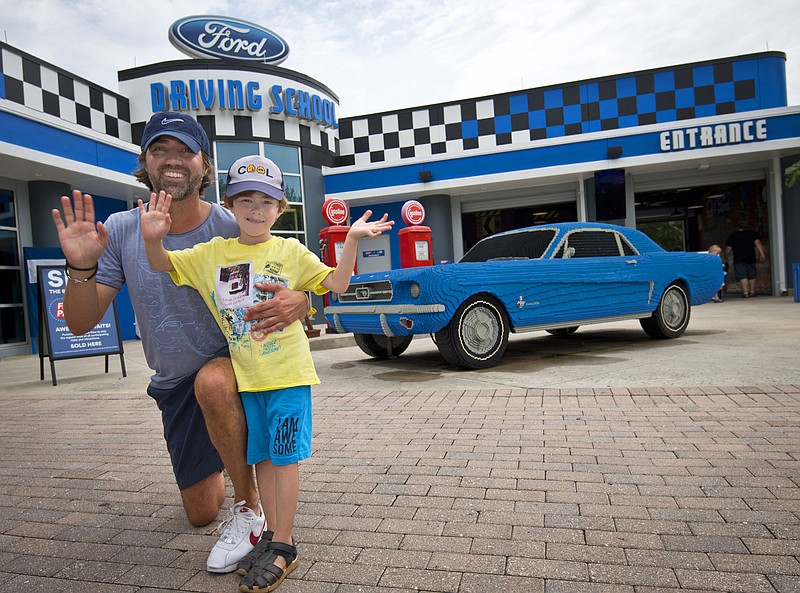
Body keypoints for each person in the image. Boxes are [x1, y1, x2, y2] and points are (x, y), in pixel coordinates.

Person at [50, 112, 310, 574]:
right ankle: (232, 466)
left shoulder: (235, 223)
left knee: (212, 382)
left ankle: (251, 509)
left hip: (235, 370)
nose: (173, 161)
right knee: (201, 512)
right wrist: (82, 266)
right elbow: (80, 323)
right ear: (144, 161)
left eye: (184, 151)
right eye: (160, 150)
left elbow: (293, 271)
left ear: (203, 164)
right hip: (173, 383)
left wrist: (302, 298)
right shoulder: (122, 230)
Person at [139, 154, 394, 592]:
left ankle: (285, 543)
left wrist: (350, 239)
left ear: (280, 209)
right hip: (248, 380)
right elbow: (164, 264)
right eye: (245, 200)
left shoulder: (290, 251)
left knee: (284, 458)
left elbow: (336, 284)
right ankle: (272, 537)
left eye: (266, 202)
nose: (256, 210)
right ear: (230, 204)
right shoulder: (212, 254)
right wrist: (152, 240)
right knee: (261, 459)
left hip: (288, 376)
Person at [725, 223, 766, 298]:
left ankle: (745, 293)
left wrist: (726, 257)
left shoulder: (733, 236)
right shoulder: (752, 234)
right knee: (751, 274)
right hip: (750, 257)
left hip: (738, 258)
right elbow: (758, 243)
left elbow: (728, 248)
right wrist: (762, 253)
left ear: (738, 227)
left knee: (742, 275)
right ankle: (752, 291)